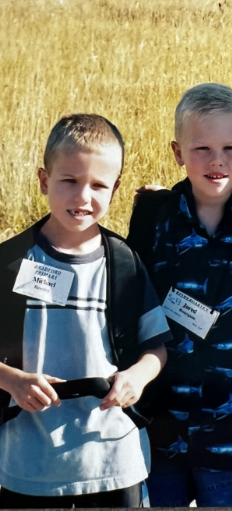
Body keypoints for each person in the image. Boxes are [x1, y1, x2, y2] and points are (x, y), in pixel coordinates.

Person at [0, 114, 171, 508]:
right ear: (44, 181)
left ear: (116, 188)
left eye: (98, 185)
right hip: (30, 464)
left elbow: (156, 348)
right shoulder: (10, 262)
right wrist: (12, 381)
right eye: (69, 181)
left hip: (113, 458)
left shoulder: (124, 264)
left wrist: (136, 377)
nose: (82, 197)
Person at [127, 83, 232, 507]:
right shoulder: (153, 218)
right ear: (177, 152)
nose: (217, 161)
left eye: (230, 148)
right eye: (202, 149)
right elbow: (131, 303)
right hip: (161, 421)